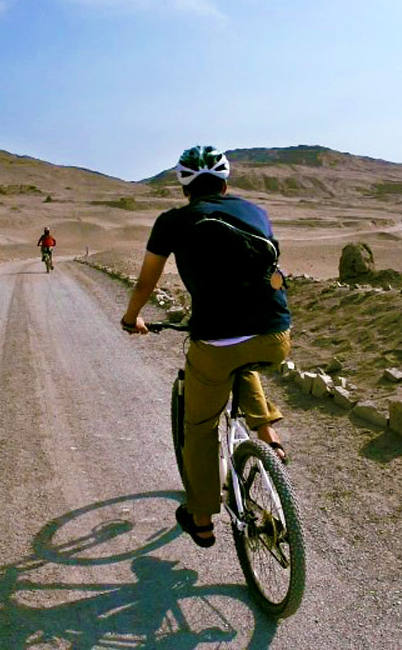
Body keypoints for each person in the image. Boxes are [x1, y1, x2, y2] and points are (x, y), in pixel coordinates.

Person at [120, 146, 291, 549]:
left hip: (214, 339)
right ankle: (268, 437)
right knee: (243, 359)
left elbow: (146, 283)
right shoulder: (255, 211)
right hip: (275, 333)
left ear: (183, 186)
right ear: (226, 181)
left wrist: (132, 318)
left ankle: (200, 518)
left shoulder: (172, 222)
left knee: (199, 427)